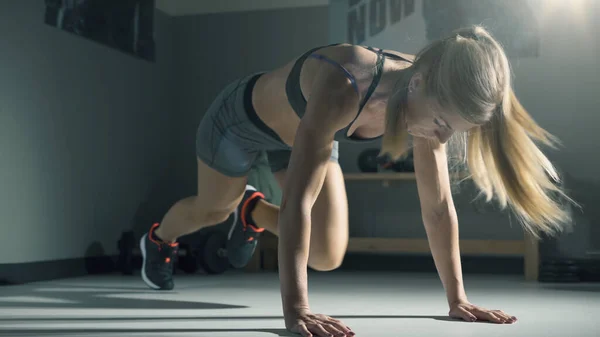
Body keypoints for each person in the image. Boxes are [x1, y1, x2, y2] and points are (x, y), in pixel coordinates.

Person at [138, 25, 574, 337]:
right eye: (441, 122)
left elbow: (438, 208)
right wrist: (297, 310)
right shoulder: (345, 81)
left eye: (451, 130)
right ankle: (159, 241)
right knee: (212, 209)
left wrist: (457, 300)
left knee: (326, 254)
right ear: (417, 83)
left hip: (309, 135)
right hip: (240, 123)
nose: (441, 137)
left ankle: (250, 210)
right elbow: (297, 206)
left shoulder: (427, 100)